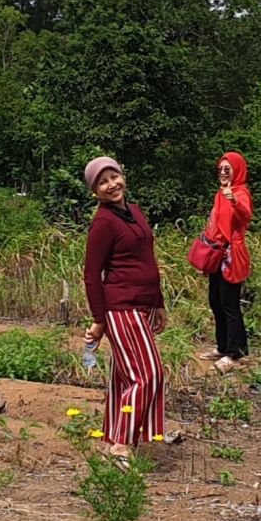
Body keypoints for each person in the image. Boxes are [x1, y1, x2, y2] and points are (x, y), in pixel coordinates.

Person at [82, 156, 167, 458]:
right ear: (95, 191)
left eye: (114, 176)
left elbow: (148, 260)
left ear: (122, 176)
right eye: (102, 182)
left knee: (124, 378)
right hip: (121, 307)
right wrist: (98, 318)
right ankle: (122, 445)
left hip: (143, 305)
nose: (111, 185)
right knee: (148, 375)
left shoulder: (134, 212)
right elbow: (92, 273)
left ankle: (110, 439)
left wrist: (158, 302)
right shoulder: (103, 222)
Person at [196, 152, 253, 374]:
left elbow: (246, 216)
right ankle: (222, 347)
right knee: (215, 301)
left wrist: (235, 200)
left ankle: (235, 353)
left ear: (236, 170)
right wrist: (206, 258)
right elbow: (213, 226)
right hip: (217, 253)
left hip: (232, 255)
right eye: (220, 168)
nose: (222, 172)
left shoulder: (240, 193)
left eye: (227, 169)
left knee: (230, 304)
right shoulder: (220, 194)